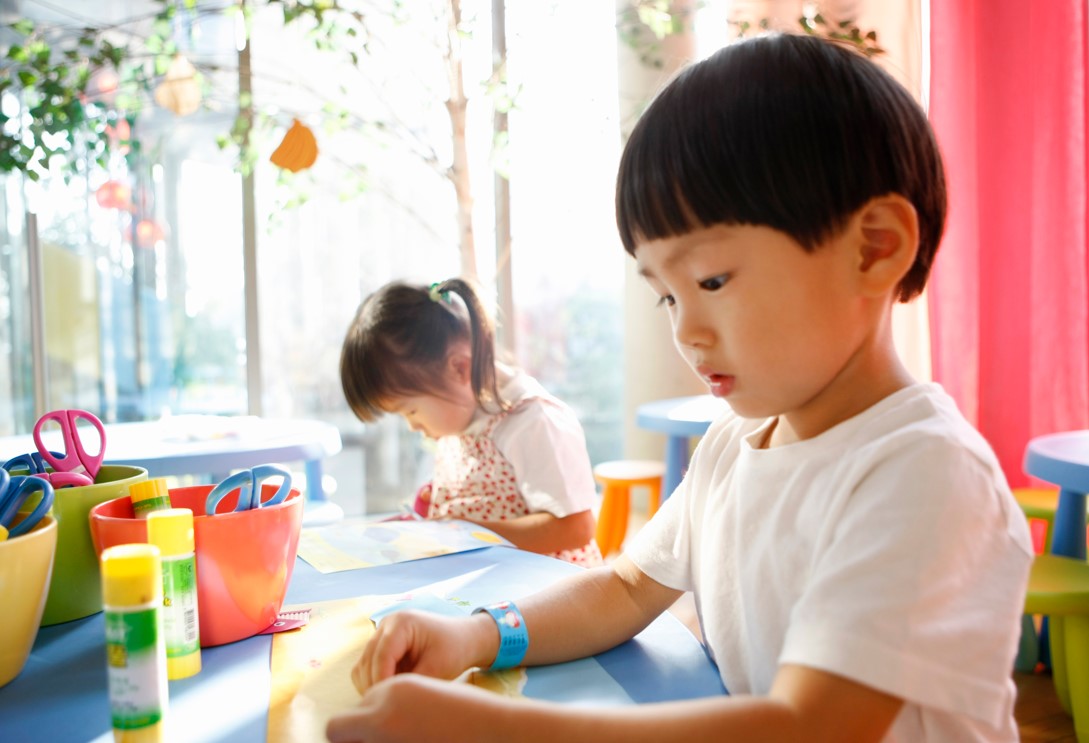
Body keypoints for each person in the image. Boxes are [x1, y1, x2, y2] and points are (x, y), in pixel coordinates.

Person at [327, 33, 1033, 743]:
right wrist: (477, 636)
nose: (685, 330)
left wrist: (495, 728)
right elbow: (628, 586)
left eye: (711, 281)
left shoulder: (922, 472)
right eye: (666, 295)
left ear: (873, 247)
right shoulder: (733, 443)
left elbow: (811, 725)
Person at [340, 277, 604, 568]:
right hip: (491, 579)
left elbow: (575, 528)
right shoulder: (459, 416)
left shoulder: (532, 423)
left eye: (410, 411)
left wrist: (468, 531)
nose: (412, 426)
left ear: (459, 368)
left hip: (551, 590)